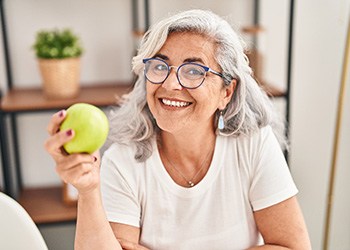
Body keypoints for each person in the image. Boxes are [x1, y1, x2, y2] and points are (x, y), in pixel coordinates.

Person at [45, 9, 311, 250]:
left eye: (194, 71)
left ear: (226, 92)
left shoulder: (253, 144)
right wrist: (89, 191)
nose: (170, 84)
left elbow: (293, 247)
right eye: (160, 66)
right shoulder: (122, 160)